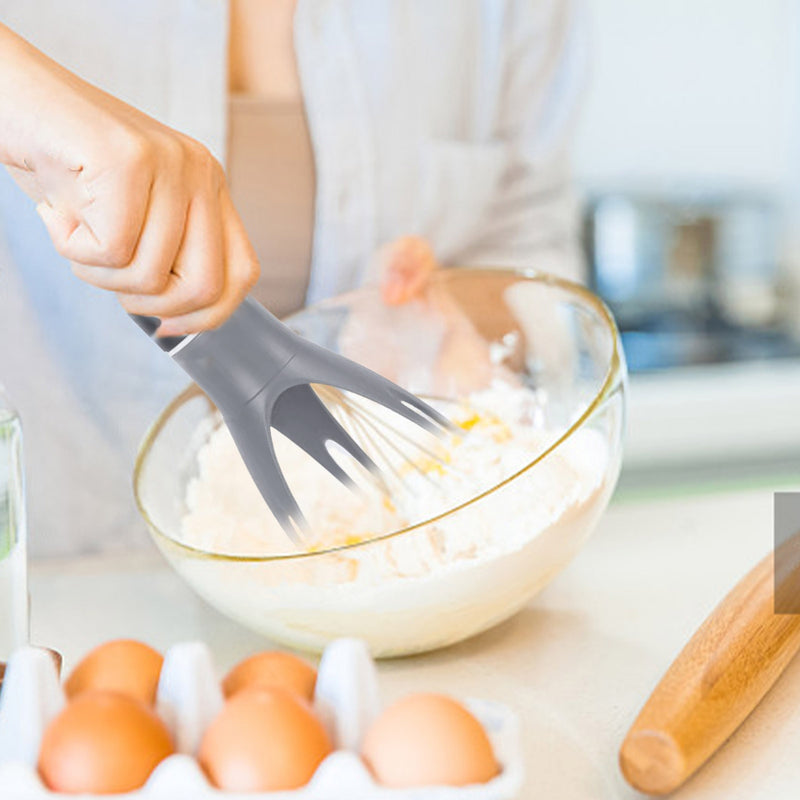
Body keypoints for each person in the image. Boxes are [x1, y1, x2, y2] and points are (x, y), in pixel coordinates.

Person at [0, 1, 586, 556]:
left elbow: (527, 236)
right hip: (55, 572)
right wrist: (29, 96)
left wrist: (459, 325)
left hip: (397, 563)